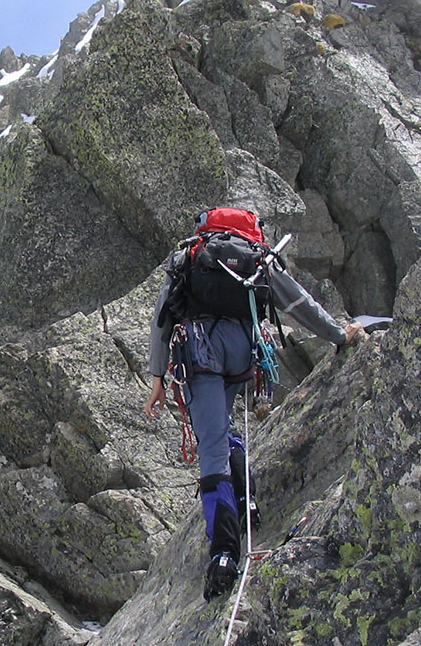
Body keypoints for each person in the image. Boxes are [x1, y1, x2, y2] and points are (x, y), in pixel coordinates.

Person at [144, 209, 363, 599]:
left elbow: (163, 319)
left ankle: (224, 552)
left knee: (211, 445)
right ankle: (246, 498)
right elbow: (297, 302)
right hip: (243, 354)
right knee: (221, 427)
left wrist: (159, 376)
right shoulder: (257, 259)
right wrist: (337, 335)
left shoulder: (191, 256)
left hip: (200, 353)